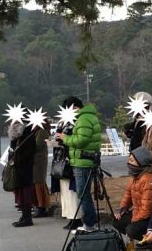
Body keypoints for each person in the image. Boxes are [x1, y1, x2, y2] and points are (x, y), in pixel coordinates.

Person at [60, 101, 102, 231]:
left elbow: (82, 140)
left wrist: (65, 138)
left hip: (82, 161)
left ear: (74, 107)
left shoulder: (83, 119)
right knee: (84, 193)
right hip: (84, 160)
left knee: (83, 194)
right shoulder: (88, 116)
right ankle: (90, 222)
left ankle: (89, 224)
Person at [114, 147, 152, 242]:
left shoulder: (148, 179)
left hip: (150, 218)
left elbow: (147, 210)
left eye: (132, 160)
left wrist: (133, 221)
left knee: (131, 229)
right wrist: (121, 209)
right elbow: (127, 196)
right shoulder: (135, 176)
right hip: (138, 213)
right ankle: (144, 239)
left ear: (141, 162)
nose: (129, 163)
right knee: (117, 220)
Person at [57, 97, 84, 230]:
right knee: (65, 190)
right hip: (63, 158)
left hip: (73, 159)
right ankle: (70, 216)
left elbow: (76, 139)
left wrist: (64, 138)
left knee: (72, 190)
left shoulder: (78, 121)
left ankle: (77, 217)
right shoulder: (64, 122)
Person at [8, 121, 37, 227]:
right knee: (19, 191)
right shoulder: (15, 132)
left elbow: (31, 150)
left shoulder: (28, 132)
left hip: (25, 167)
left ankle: (27, 217)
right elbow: (11, 148)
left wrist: (18, 159)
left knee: (25, 192)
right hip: (17, 166)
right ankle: (24, 216)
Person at [32, 118, 52, 218]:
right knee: (37, 183)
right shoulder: (38, 130)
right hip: (37, 160)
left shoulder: (42, 131)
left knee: (39, 183)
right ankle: (39, 206)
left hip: (39, 160)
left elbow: (38, 146)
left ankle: (42, 207)